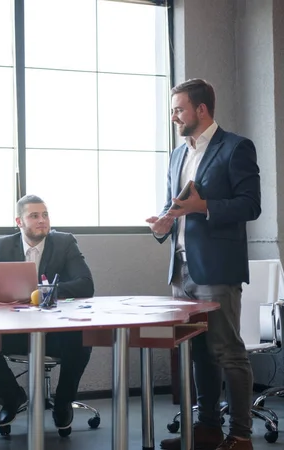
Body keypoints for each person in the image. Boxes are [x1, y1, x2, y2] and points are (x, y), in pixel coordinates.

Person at [147, 79, 261, 450]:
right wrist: (165, 222)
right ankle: (208, 427)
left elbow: (250, 205)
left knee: (227, 351)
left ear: (201, 109)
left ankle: (241, 435)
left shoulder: (235, 148)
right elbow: (174, 205)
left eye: (179, 108)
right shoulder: (178, 155)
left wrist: (204, 207)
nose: (173, 116)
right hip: (181, 270)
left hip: (217, 267)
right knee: (196, 350)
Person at [0, 194, 94, 431]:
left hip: (56, 333)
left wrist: (43, 291)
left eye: (45, 215)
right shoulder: (5, 245)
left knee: (83, 340)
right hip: (17, 331)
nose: (42, 220)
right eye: (34, 216)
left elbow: (86, 284)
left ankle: (63, 401)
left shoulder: (64, 243)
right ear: (19, 221)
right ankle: (11, 396)